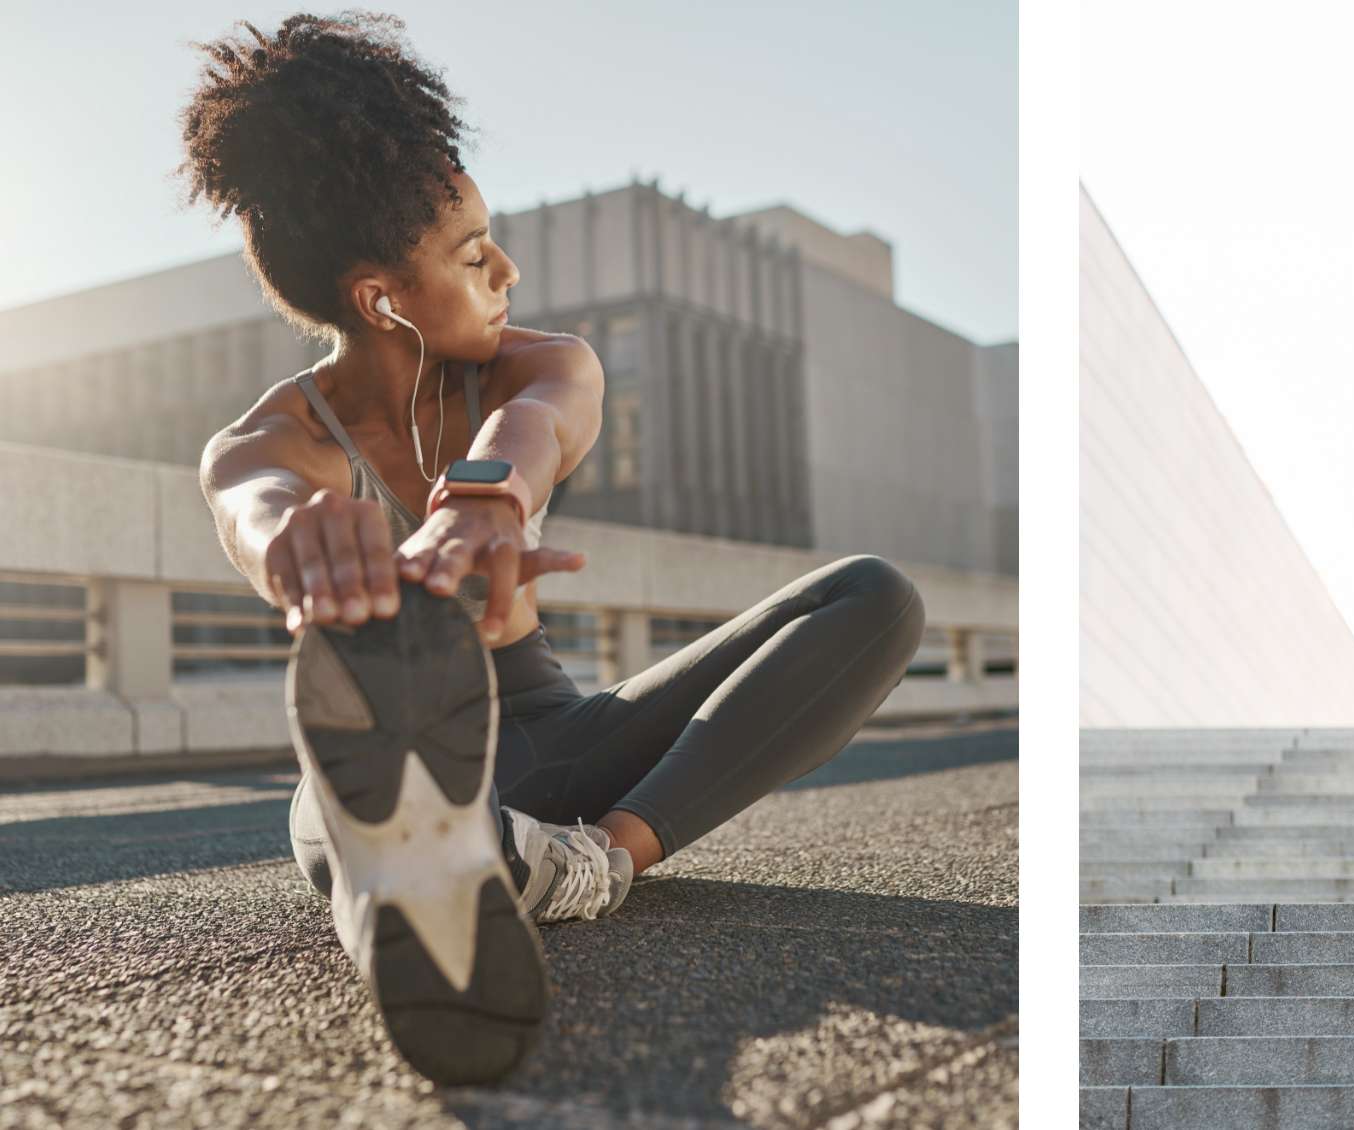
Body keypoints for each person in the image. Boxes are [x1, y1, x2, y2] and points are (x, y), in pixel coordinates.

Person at [183, 13, 926, 1083]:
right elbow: (249, 500)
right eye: (474, 254)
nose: (508, 271)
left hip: (561, 739)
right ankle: (438, 883)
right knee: (346, 813)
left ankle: (590, 862)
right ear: (382, 297)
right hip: (384, 773)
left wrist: (490, 496)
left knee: (872, 595)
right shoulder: (269, 439)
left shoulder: (540, 365)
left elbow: (535, 427)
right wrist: (295, 540)